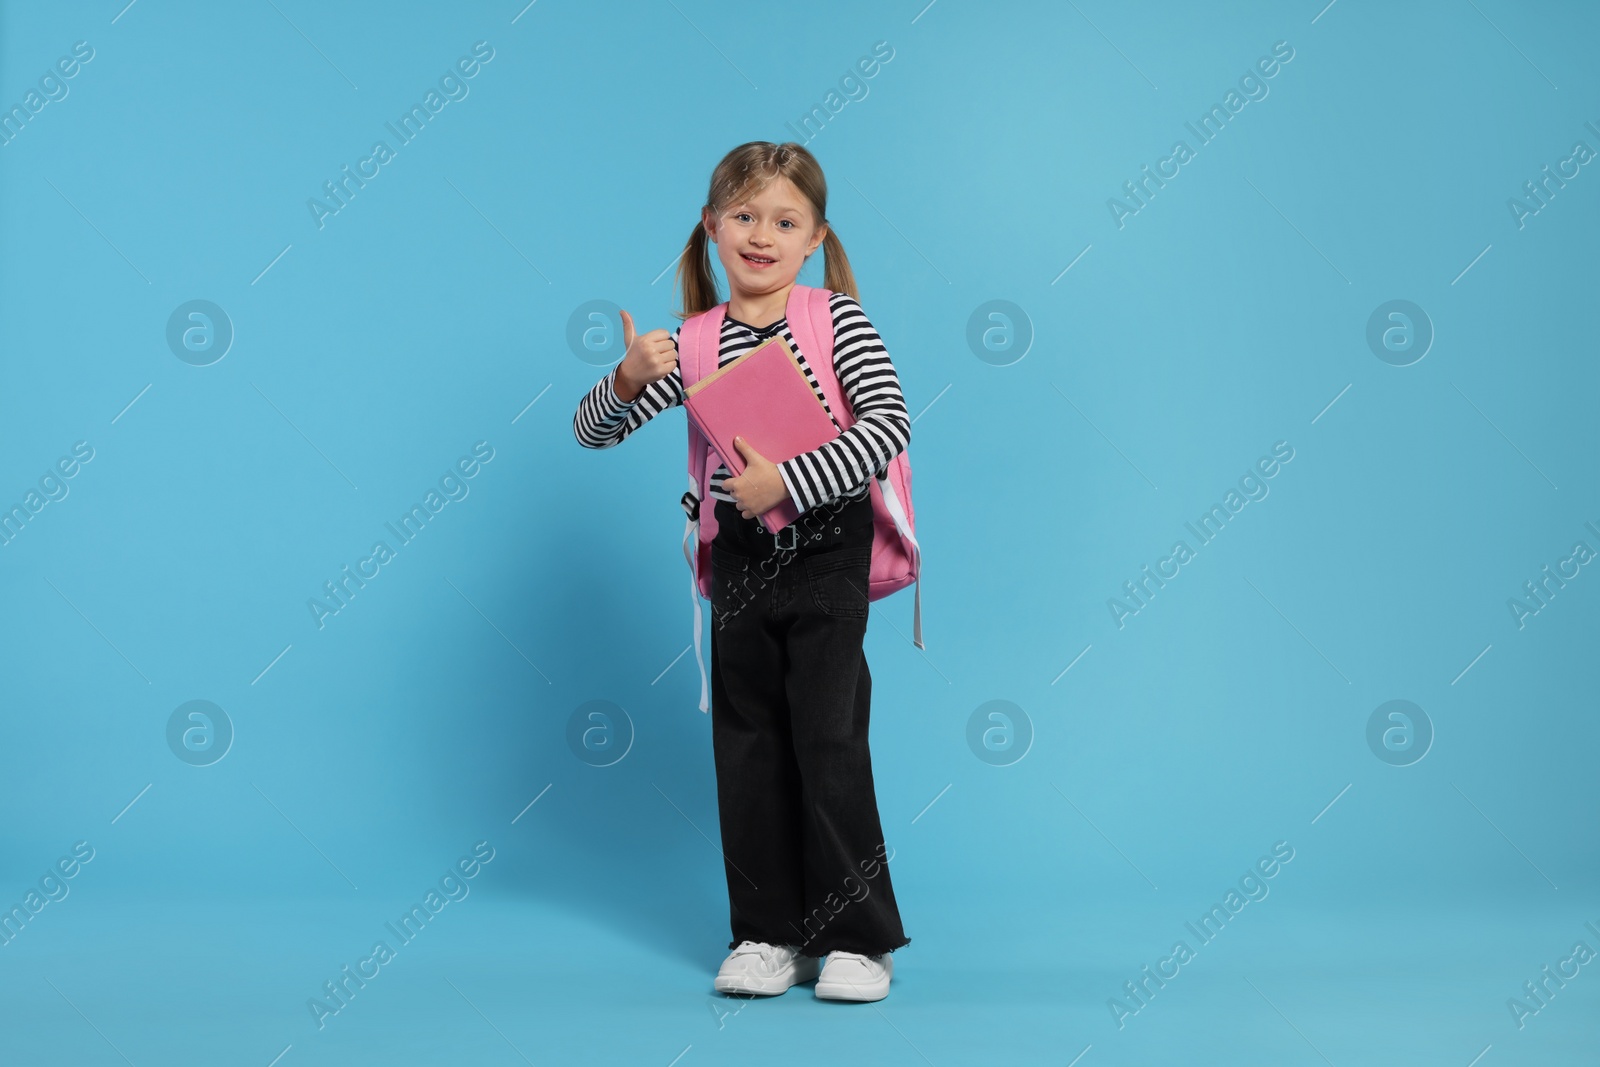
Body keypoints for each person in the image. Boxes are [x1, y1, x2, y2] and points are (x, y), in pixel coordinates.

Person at [571, 141, 912, 1002]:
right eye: (745, 216)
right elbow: (591, 431)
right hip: (742, 558)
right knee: (747, 742)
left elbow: (888, 424)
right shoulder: (688, 344)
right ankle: (767, 933)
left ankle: (856, 937)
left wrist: (786, 481)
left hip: (825, 550)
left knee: (828, 739)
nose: (762, 234)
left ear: (815, 239)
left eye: (784, 221)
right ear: (712, 227)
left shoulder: (837, 321)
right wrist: (623, 378)